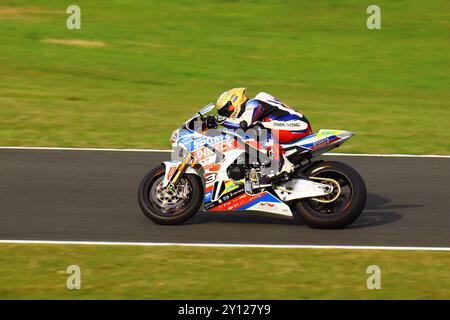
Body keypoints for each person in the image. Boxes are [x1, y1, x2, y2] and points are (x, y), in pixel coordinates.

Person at [215, 87, 313, 181]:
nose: (226, 114)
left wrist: (219, 120)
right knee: (250, 133)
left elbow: (243, 123)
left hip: (297, 126)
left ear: (235, 100)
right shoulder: (257, 102)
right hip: (289, 126)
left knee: (257, 128)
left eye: (226, 110)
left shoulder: (253, 104)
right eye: (222, 113)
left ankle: (279, 164)